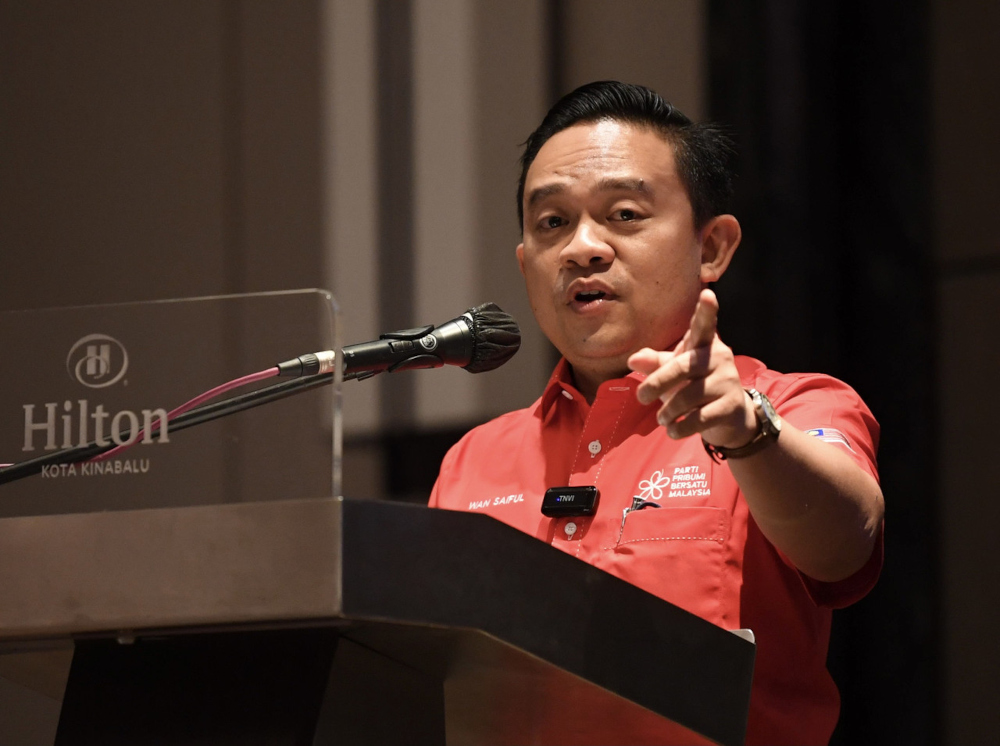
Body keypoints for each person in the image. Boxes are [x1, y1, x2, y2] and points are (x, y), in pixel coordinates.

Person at [429, 81, 884, 746]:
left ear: (712, 248)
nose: (583, 247)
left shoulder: (793, 406)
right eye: (552, 223)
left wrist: (748, 434)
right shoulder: (472, 461)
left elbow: (847, 544)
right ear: (527, 266)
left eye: (624, 215)